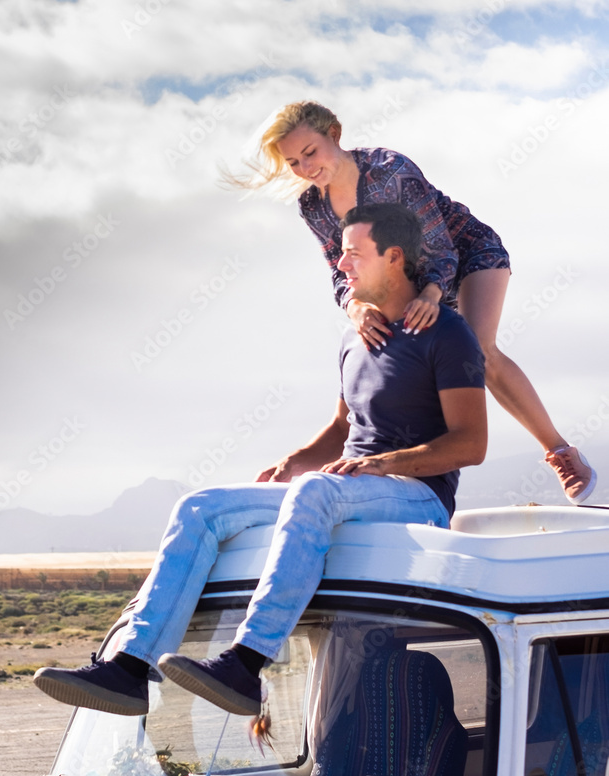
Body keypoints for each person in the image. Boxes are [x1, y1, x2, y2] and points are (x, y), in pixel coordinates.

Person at [34, 203, 487, 717]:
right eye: (341, 255)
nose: (342, 267)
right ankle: (130, 668)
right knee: (200, 507)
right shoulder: (353, 336)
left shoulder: (448, 333)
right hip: (347, 488)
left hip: (417, 498)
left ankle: (246, 664)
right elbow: (343, 429)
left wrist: (385, 463)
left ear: (394, 257)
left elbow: (471, 444)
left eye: (354, 255)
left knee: (315, 489)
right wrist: (293, 459)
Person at [236, 100, 595, 505]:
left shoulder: (389, 170)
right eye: (293, 163)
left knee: (477, 352)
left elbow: (441, 248)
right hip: (405, 277)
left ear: (334, 135)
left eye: (310, 153)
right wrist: (354, 307)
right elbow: (339, 269)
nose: (305, 168)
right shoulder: (312, 205)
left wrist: (430, 294)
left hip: (466, 256)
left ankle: (562, 454)